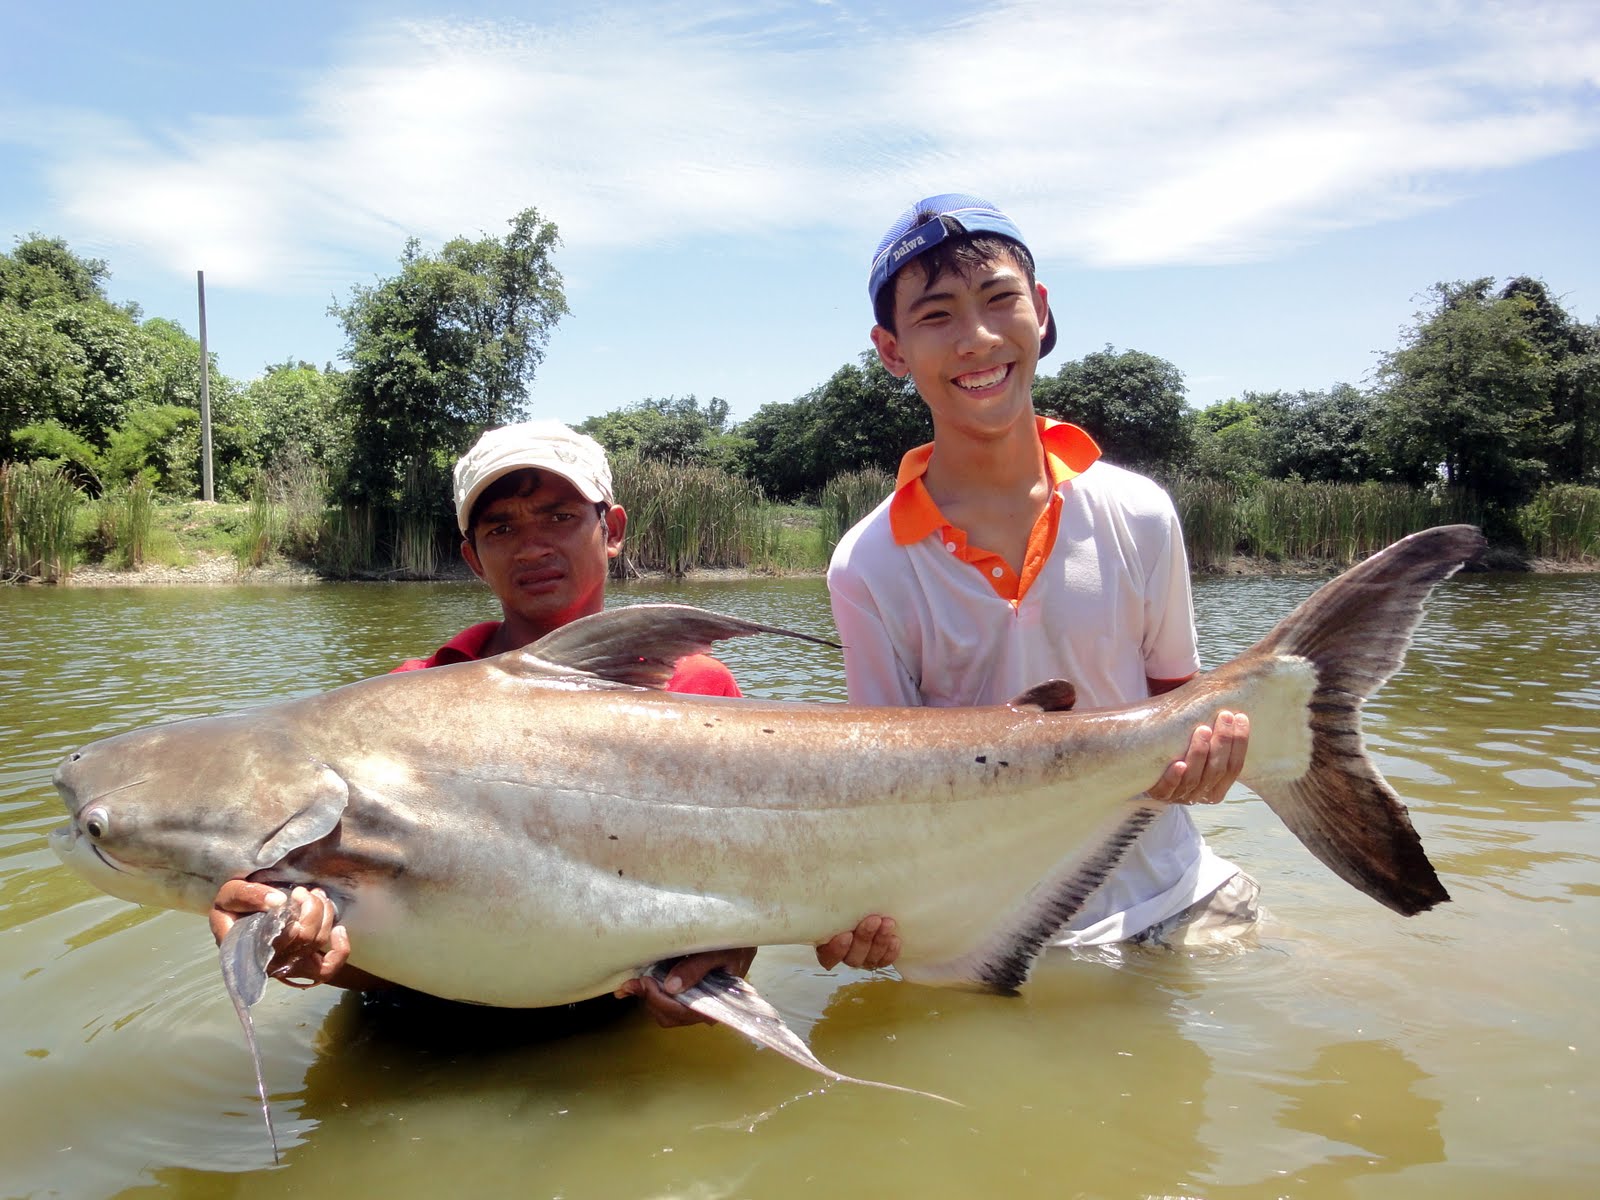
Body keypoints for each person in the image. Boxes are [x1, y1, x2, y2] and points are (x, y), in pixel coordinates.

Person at [211, 420, 899, 1027]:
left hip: (612, 1020)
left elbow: (736, 882)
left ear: (614, 530)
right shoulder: (404, 701)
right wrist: (295, 948)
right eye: (501, 527)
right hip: (415, 1024)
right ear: (473, 557)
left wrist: (730, 956)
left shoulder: (698, 690)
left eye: (560, 516)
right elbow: (359, 937)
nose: (532, 545)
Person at [828, 194, 1257, 950]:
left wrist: (1209, 758)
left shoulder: (1142, 513)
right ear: (891, 350)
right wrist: (864, 912)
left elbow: (1176, 708)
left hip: (1174, 896)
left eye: (1001, 300)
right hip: (982, 931)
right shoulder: (867, 565)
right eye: (936, 316)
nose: (978, 338)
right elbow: (887, 795)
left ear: (1042, 311)